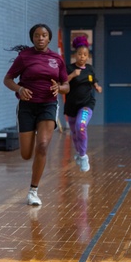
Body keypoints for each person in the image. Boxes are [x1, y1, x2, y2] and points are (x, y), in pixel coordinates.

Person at [3, 24, 70, 205]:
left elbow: (66, 85)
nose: (40, 38)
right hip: (27, 107)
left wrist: (60, 88)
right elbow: (7, 80)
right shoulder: (24, 57)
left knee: (42, 146)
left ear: (49, 39)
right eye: (37, 35)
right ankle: (29, 133)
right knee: (26, 154)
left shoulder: (57, 59)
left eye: (44, 35)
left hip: (48, 105)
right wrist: (19, 88)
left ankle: (33, 191)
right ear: (32, 38)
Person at [58, 35, 102, 172]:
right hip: (72, 106)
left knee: (81, 126)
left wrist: (97, 86)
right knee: (75, 133)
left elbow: (93, 80)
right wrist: (72, 76)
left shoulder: (90, 69)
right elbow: (61, 84)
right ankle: (79, 152)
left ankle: (83, 156)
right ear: (75, 55)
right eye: (79, 54)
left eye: (85, 55)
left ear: (87, 56)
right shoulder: (68, 68)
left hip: (86, 104)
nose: (82, 57)